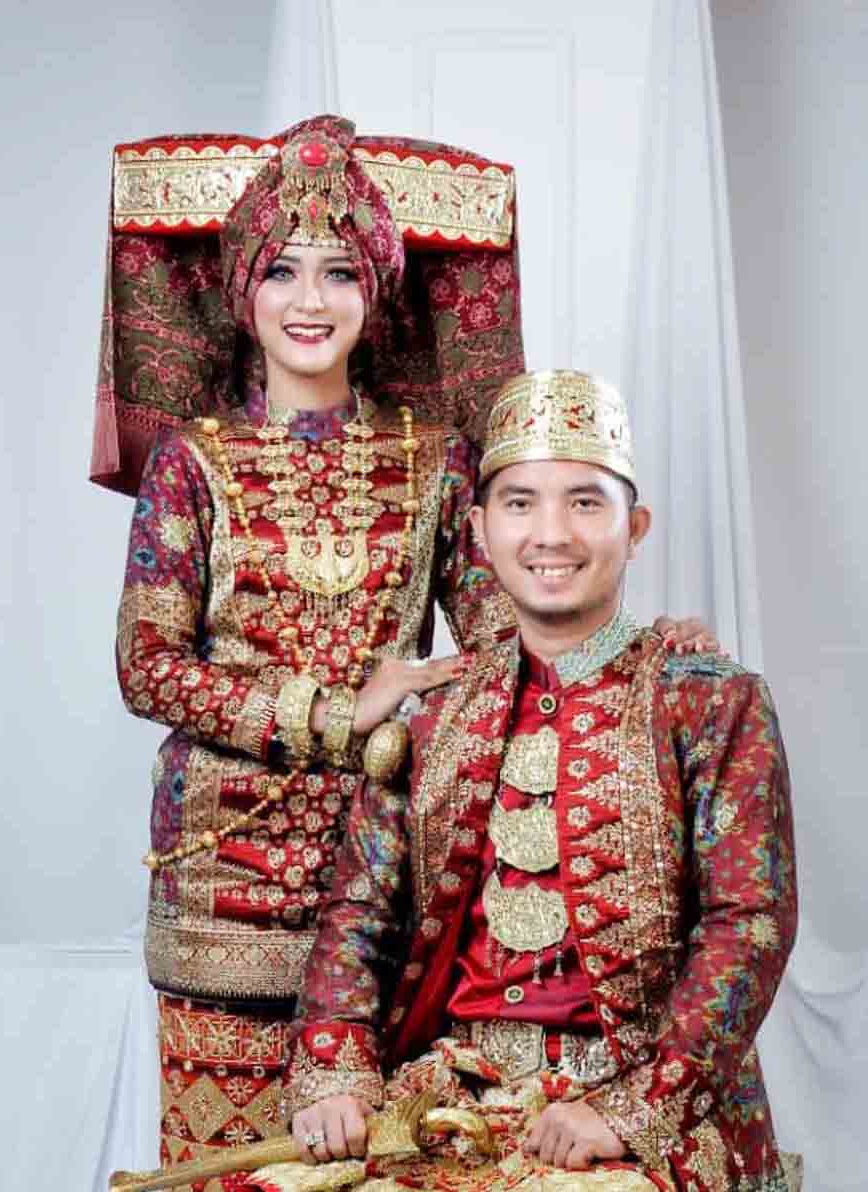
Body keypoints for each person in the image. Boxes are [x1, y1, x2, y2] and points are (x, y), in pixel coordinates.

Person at [108, 116, 720, 1172]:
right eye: (282, 270)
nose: (309, 300)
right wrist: (330, 711)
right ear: (242, 289)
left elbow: (504, 631)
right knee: (232, 1175)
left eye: (340, 272)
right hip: (226, 884)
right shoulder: (191, 464)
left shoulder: (435, 459)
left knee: (393, 1160)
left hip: (400, 876)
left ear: (377, 291)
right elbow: (146, 665)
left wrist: (638, 649)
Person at [280, 370, 800, 1191]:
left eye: (585, 503)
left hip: (643, 1101)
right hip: (453, 1091)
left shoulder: (710, 701)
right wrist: (336, 1065)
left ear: (635, 528)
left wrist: (632, 1108)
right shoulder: (436, 714)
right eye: (520, 504)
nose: (551, 534)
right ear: (481, 533)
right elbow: (358, 914)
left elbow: (749, 926)